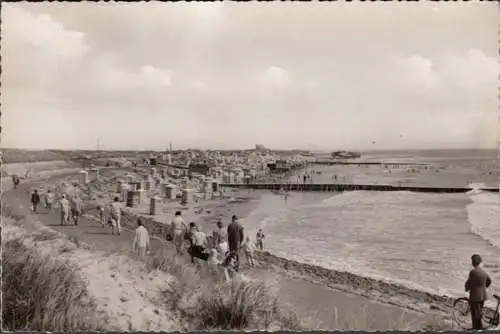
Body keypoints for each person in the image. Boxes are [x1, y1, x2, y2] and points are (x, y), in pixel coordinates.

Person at [465, 254, 492, 330]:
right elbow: (489, 281)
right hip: (483, 295)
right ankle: (478, 328)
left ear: (473, 262)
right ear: (479, 262)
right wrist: (484, 287)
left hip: (475, 296)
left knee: (475, 313)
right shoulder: (483, 272)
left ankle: (477, 329)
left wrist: (467, 288)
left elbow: (469, 282)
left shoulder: (473, 272)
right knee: (479, 312)